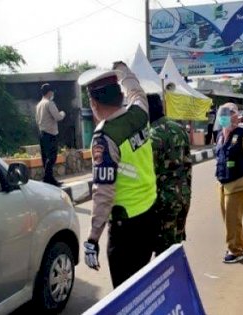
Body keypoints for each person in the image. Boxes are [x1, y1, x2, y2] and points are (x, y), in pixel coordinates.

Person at [78, 62, 158, 288]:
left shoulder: (104, 137)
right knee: (142, 285)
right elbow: (136, 89)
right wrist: (124, 71)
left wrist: (93, 238)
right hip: (150, 214)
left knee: (125, 295)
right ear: (119, 95)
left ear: (93, 104)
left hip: (126, 230)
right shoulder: (140, 111)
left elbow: (103, 192)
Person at [147, 94, 192, 254]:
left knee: (163, 253)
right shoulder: (179, 129)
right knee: (176, 246)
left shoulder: (152, 136)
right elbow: (188, 166)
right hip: (183, 197)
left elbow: (150, 175)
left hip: (163, 202)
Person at [215, 103, 243, 263]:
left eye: (228, 113)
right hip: (223, 183)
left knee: (232, 220)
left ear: (235, 116)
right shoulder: (220, 135)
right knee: (230, 218)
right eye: (223, 114)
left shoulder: (242, 135)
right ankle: (241, 245)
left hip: (239, 184)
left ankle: (234, 250)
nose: (224, 117)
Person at [35, 83, 66, 187]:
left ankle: (50, 179)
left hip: (42, 133)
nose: (52, 93)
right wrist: (62, 113)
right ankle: (47, 178)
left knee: (45, 157)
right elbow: (57, 117)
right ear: (49, 92)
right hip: (51, 133)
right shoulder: (49, 103)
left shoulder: (39, 105)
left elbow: (37, 120)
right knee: (52, 157)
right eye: (52, 91)